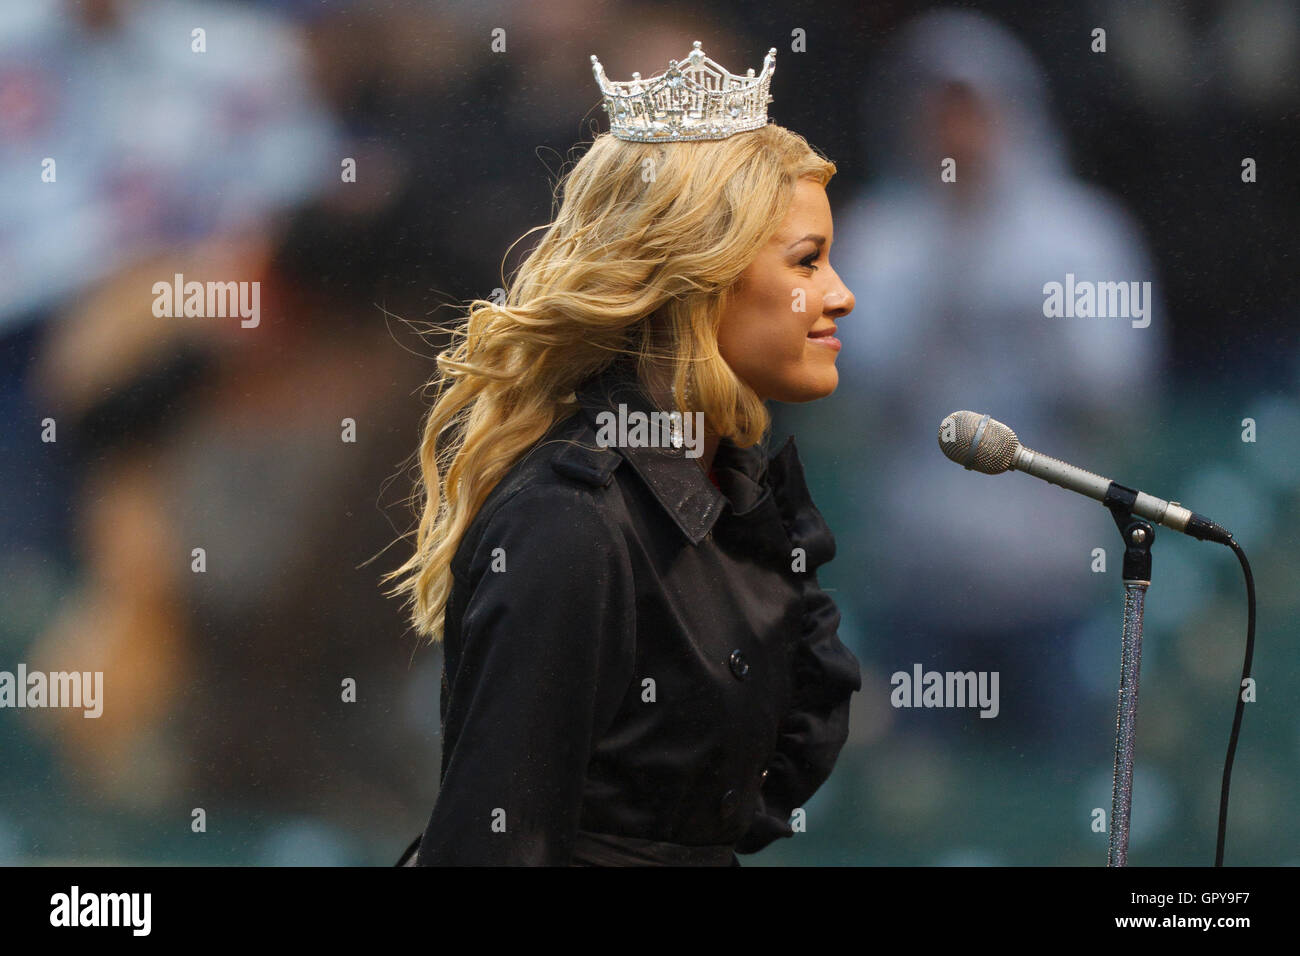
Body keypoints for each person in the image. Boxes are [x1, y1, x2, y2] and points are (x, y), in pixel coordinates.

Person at [385, 41, 861, 866]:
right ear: (699, 273)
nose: (840, 294)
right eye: (807, 262)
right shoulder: (571, 522)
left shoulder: (730, 495)